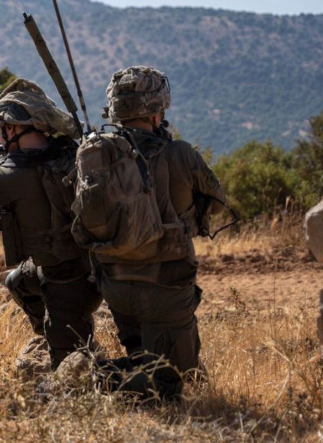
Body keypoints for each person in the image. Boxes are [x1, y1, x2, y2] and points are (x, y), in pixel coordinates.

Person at [0, 78, 102, 368]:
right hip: (86, 262)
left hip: (66, 281)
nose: (0, 137)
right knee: (19, 281)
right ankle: (55, 336)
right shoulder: (69, 153)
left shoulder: (11, 175)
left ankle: (76, 347)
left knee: (71, 370)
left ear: (13, 128)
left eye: (2, 129)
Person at [92, 65, 226, 399]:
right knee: (168, 385)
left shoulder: (96, 154)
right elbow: (218, 203)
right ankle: (90, 379)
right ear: (157, 112)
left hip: (115, 284)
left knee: (156, 361)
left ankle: (133, 370)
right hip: (166, 285)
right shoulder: (179, 154)